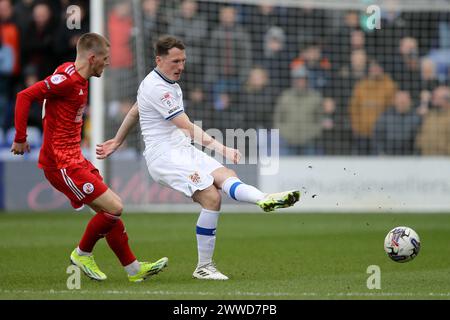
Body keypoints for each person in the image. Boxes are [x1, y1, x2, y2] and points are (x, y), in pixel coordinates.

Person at [97, 35, 300, 281]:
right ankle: (204, 266)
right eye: (175, 61)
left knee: (227, 175)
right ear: (159, 60)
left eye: (183, 60)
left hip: (181, 148)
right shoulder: (157, 88)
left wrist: (117, 140)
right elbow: (186, 125)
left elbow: (134, 111)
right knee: (212, 197)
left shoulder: (165, 83)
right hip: (164, 157)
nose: (181, 66)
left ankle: (264, 200)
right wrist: (222, 147)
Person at [10, 32, 167, 283]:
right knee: (115, 207)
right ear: (92, 58)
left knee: (110, 214)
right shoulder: (67, 80)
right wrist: (20, 137)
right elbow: (24, 96)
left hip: (75, 159)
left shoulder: (76, 76)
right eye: (105, 58)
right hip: (61, 164)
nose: (108, 63)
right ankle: (82, 253)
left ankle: (134, 270)